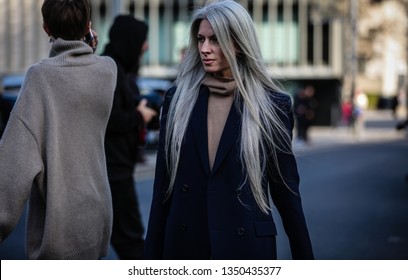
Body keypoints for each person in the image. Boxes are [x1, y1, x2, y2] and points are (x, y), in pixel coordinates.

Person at [144, 0, 314, 260]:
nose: (205, 49)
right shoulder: (177, 99)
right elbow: (162, 190)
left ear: (238, 43)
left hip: (245, 250)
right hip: (185, 247)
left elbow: (286, 192)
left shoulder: (271, 105)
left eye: (215, 40)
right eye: (200, 40)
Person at [0, 0, 117, 259]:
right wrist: (87, 43)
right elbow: (80, 66)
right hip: (99, 219)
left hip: (59, 229)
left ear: (45, 28)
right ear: (89, 26)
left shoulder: (40, 78)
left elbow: (12, 167)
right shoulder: (108, 71)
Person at [101, 15, 157, 260]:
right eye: (143, 40)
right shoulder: (109, 71)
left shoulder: (122, 70)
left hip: (119, 167)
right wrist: (139, 115)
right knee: (132, 242)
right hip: (113, 170)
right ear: (131, 41)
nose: (145, 46)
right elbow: (110, 119)